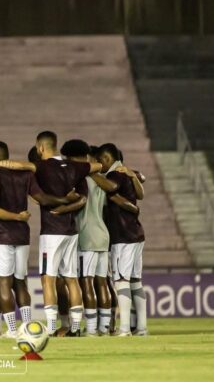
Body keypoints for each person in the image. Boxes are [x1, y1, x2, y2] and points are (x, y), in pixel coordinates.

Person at [0, 140, 79, 338]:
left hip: (1, 235)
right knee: (20, 283)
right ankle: (28, 325)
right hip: (22, 235)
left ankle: (13, 330)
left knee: (4, 283)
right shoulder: (26, 174)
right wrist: (65, 200)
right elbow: (43, 198)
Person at [59, 140, 138, 336]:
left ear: (70, 158)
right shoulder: (100, 178)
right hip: (103, 234)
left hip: (86, 234)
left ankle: (92, 329)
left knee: (86, 281)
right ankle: (104, 327)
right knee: (102, 281)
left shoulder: (79, 178)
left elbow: (75, 201)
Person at [33, 131, 101, 336]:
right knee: (71, 278)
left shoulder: (41, 167)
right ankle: (75, 328)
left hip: (52, 230)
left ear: (40, 148)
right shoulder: (75, 167)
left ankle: (53, 328)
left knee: (48, 279)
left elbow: (23, 168)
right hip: (71, 231)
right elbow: (97, 166)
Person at [97, 143, 147, 337]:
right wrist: (134, 175)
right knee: (136, 281)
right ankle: (141, 328)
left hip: (122, 236)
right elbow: (141, 192)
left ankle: (124, 328)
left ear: (107, 159)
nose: (99, 164)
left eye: (100, 161)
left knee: (121, 281)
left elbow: (113, 190)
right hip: (136, 235)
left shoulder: (113, 175)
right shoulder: (128, 173)